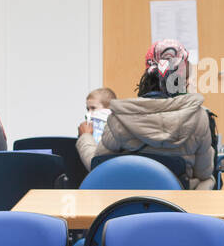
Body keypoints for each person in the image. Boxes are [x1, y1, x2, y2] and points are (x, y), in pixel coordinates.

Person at [76, 40, 215, 189]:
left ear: (148, 74)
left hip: (127, 205)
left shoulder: (120, 117)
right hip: (176, 206)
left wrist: (85, 137)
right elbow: (203, 173)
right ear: (183, 81)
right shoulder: (199, 117)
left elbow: (98, 165)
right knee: (208, 180)